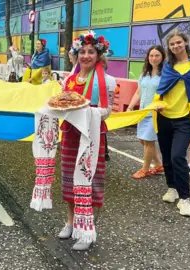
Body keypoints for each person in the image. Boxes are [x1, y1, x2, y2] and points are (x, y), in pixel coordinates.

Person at [57, 31, 115, 251]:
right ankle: (70, 223)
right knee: (70, 179)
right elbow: (62, 105)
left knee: (89, 182)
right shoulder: (69, 80)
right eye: (82, 51)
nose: (86, 55)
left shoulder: (108, 81)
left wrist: (84, 112)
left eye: (91, 51)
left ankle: (88, 230)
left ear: (99, 55)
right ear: (76, 55)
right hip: (71, 135)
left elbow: (107, 111)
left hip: (92, 136)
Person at [155, 30, 190, 217]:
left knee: (178, 156)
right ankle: (172, 188)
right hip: (164, 116)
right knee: (167, 155)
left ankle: (185, 199)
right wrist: (158, 103)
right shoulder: (169, 66)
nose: (176, 46)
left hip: (185, 118)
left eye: (179, 42)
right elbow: (162, 88)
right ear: (169, 48)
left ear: (185, 43)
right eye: (172, 44)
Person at [126, 45, 166, 179]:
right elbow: (138, 92)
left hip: (155, 113)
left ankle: (145, 169)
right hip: (143, 112)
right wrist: (130, 107)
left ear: (162, 57)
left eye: (157, 55)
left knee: (149, 141)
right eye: (151, 55)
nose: (153, 58)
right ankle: (159, 164)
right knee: (142, 140)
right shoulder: (144, 74)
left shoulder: (165, 75)